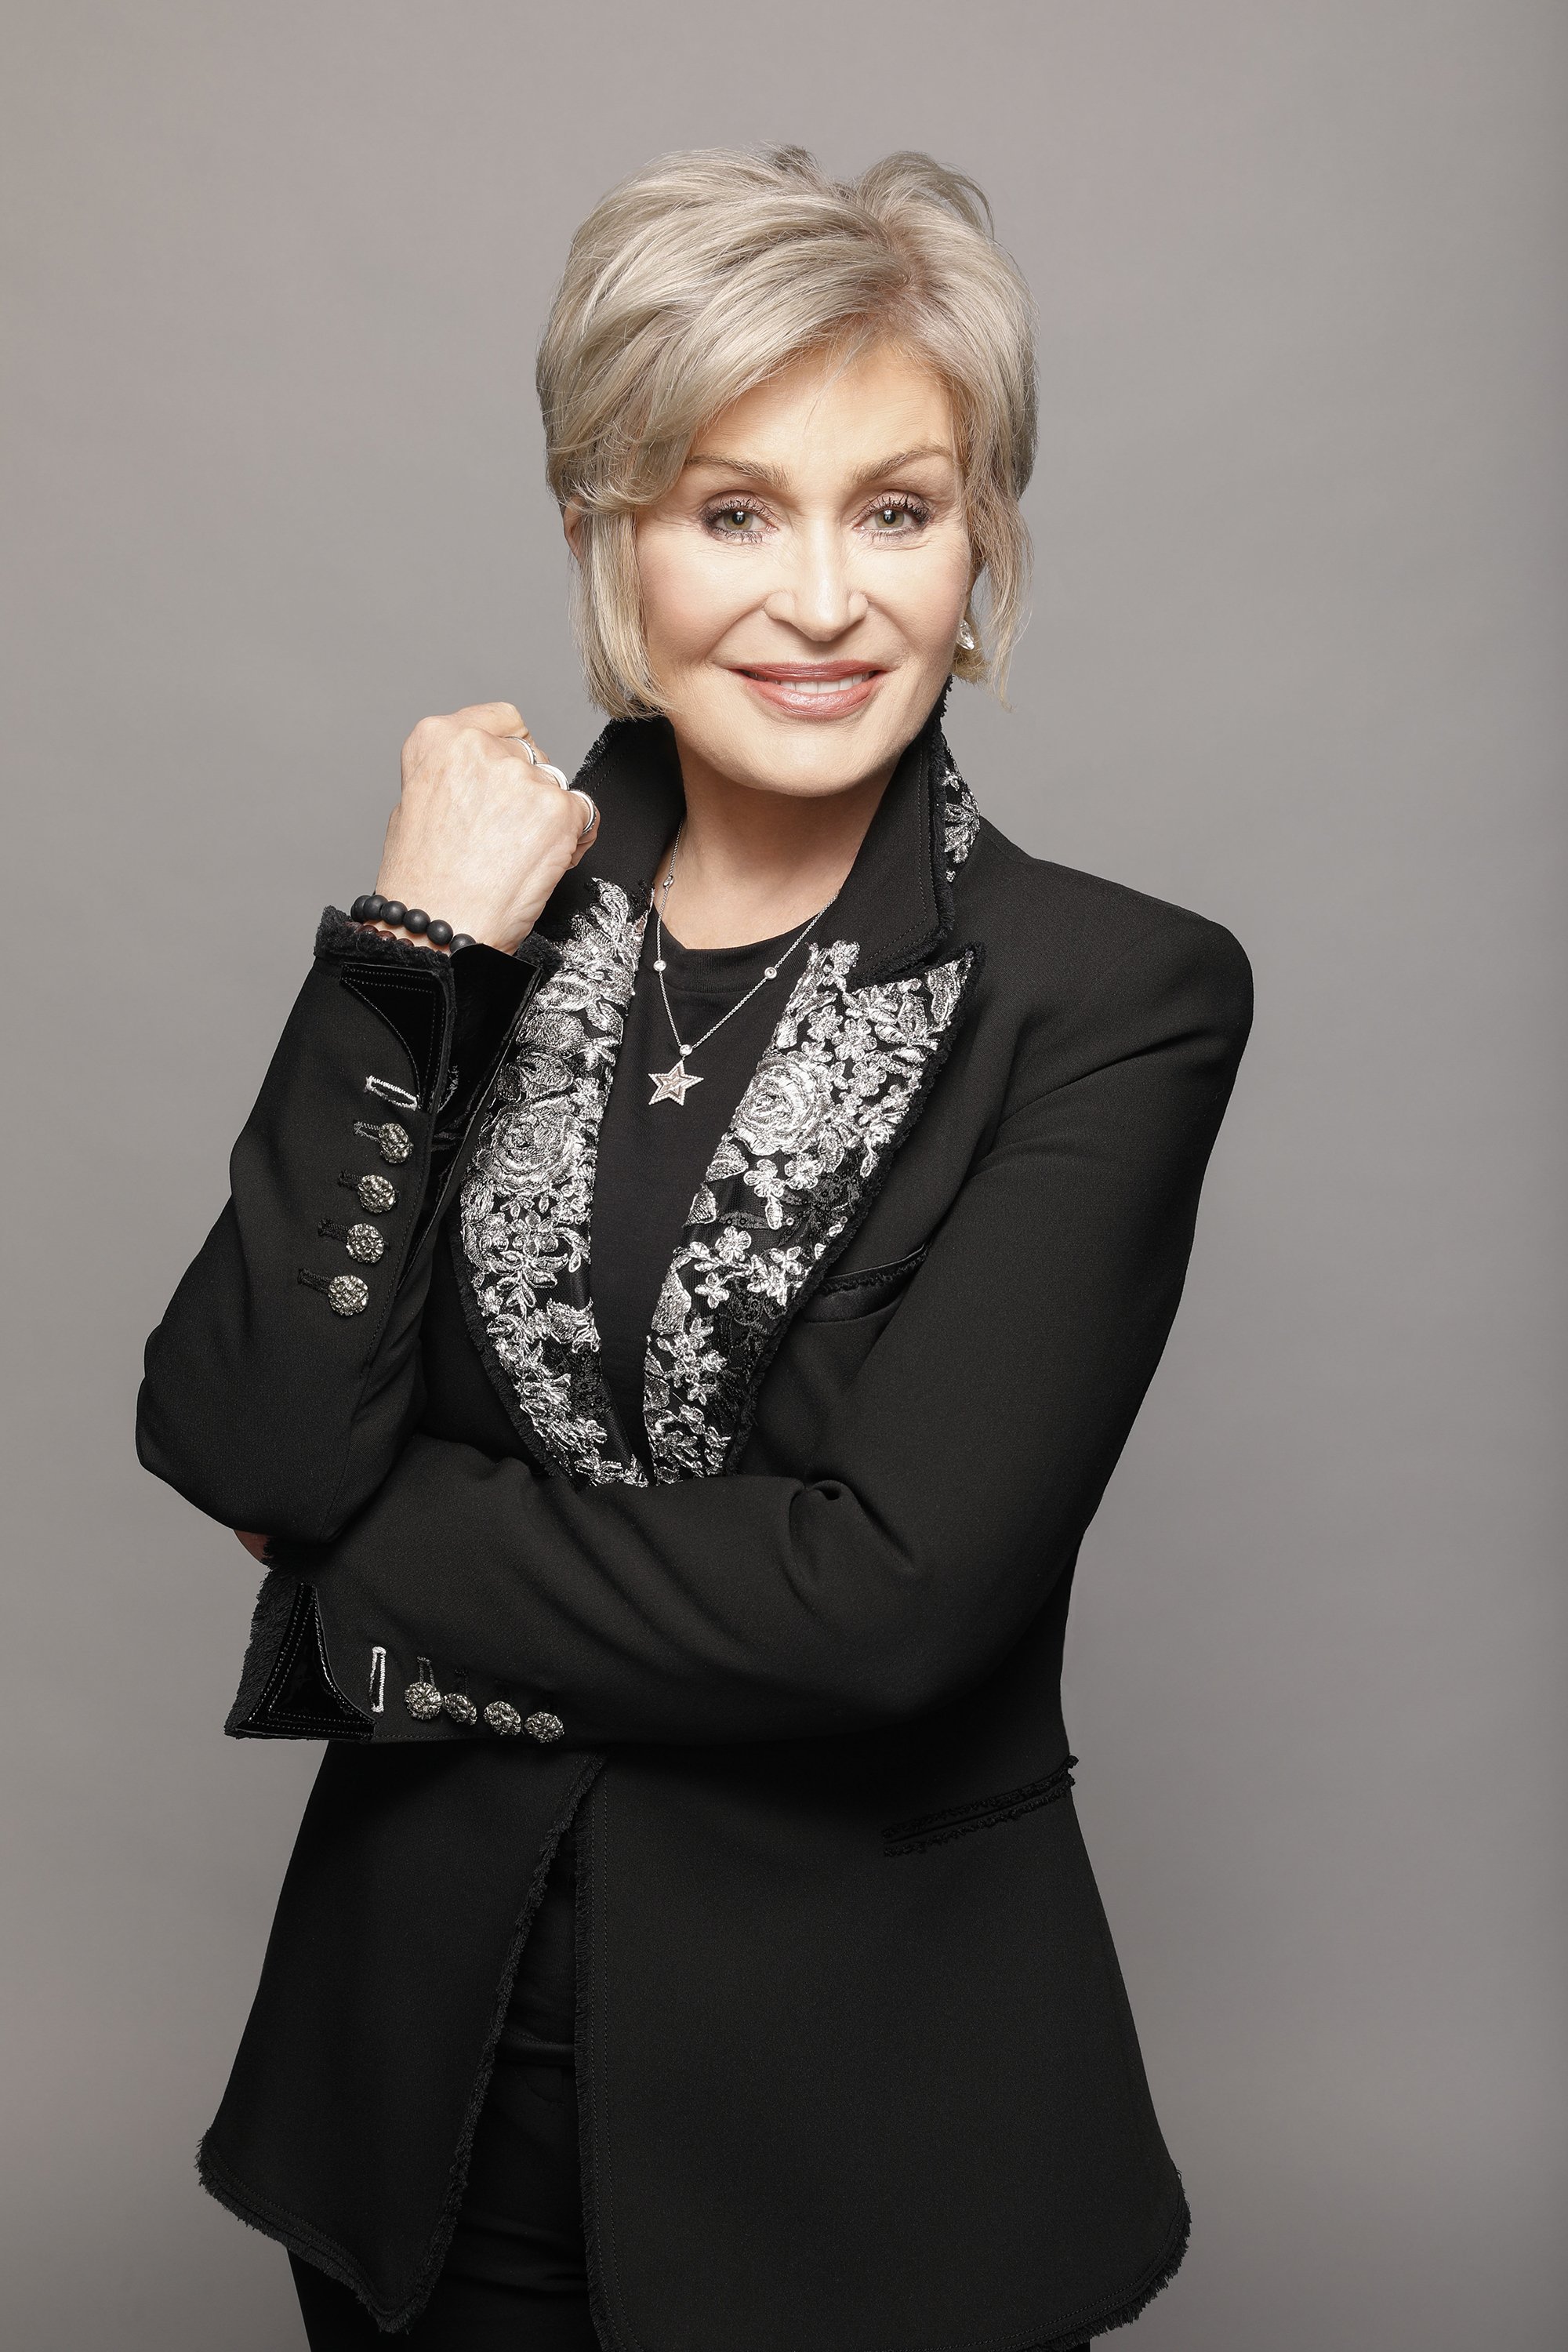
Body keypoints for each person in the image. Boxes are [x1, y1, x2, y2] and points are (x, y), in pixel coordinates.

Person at [136, 145, 1252, 2352]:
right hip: (413, 2109)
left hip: (872, 2140)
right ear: (606, 534)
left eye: (900, 510)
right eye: (733, 509)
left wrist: (343, 1560)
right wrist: (406, 954)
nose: (824, 600)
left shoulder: (1111, 994)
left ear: (984, 547)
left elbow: (883, 1607)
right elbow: (232, 1421)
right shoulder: (470, 912)